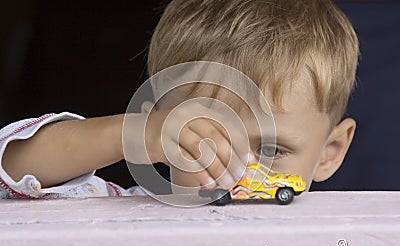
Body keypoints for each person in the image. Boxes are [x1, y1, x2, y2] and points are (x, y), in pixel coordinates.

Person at [0, 0, 359, 199]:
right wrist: (131, 134)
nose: (237, 171)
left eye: (275, 150)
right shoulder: (118, 211)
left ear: (330, 152)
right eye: (206, 140)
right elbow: (11, 170)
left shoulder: (346, 241)